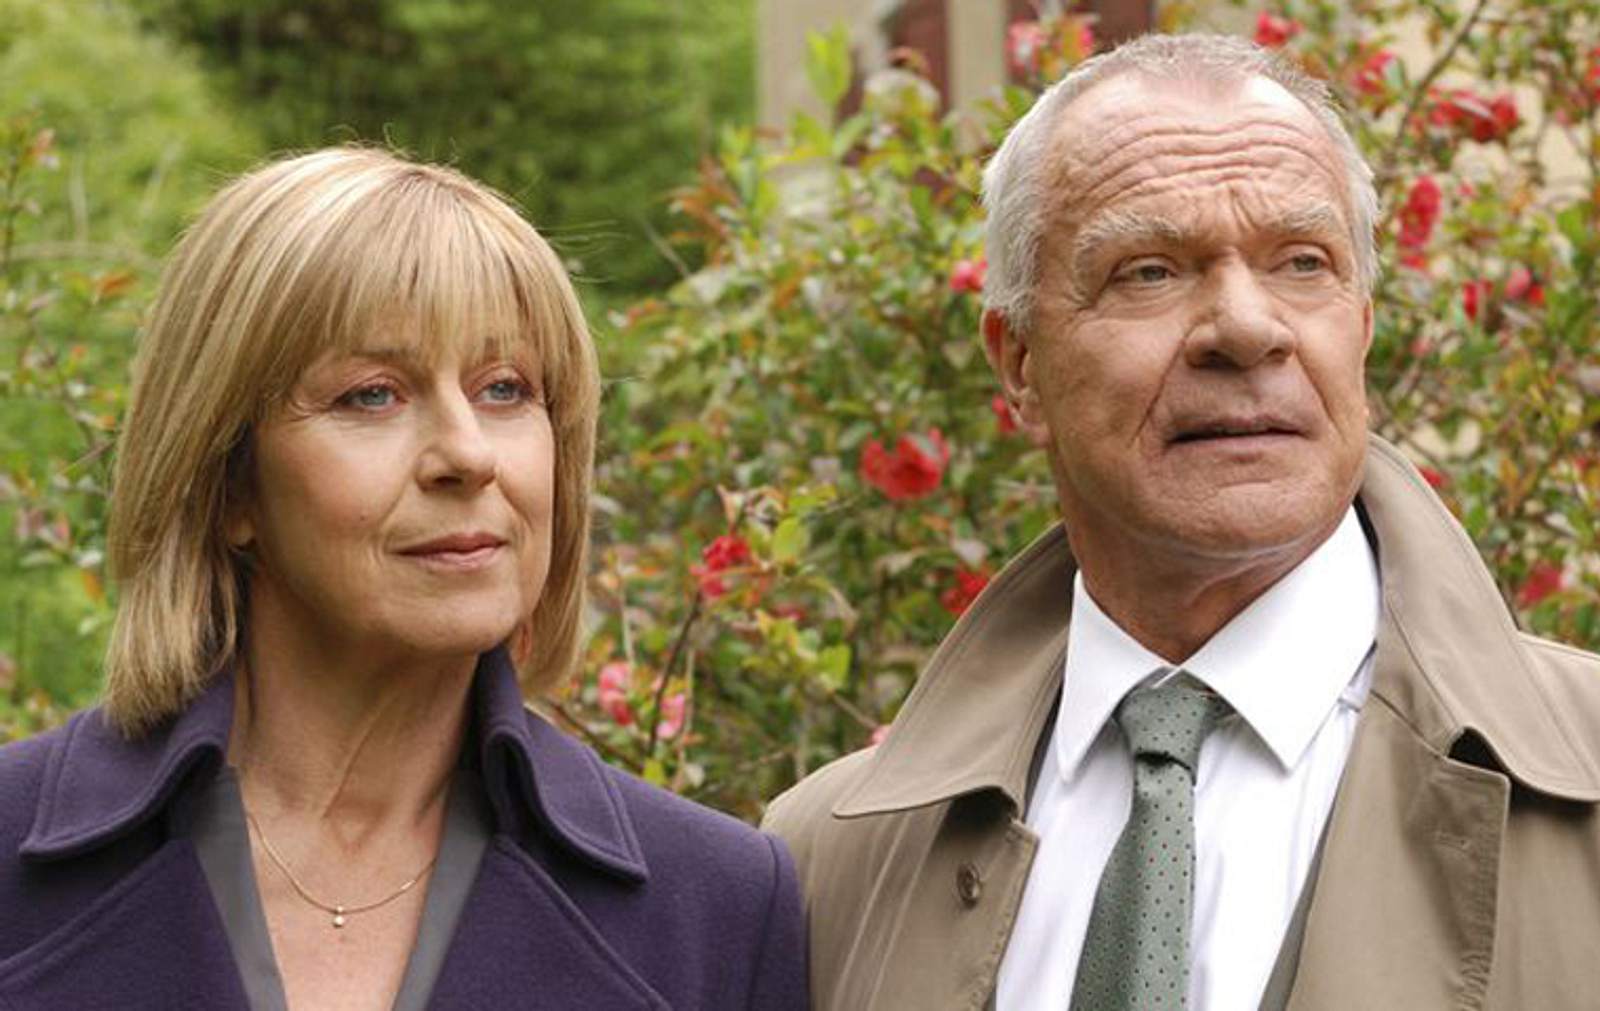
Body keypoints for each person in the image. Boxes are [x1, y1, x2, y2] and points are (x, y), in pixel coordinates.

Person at [764, 33, 1600, 1011]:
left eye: (1302, 262)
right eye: (1149, 272)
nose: (1246, 327)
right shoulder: (826, 865)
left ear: (1363, 327)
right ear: (1020, 364)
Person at [0, 147, 807, 1010]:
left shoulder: (717, 907)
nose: (467, 453)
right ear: (228, 480)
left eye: (506, 388)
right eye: (373, 395)